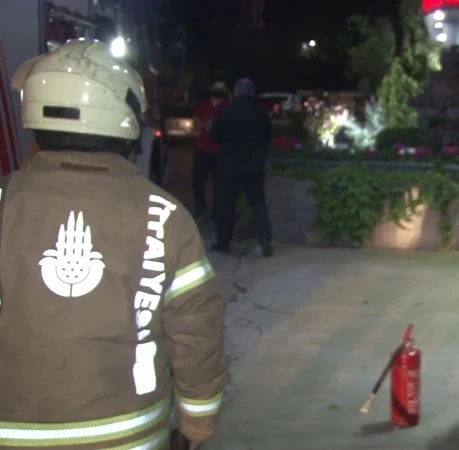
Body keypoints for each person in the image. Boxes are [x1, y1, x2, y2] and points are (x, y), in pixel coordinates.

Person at [3, 40, 227, 449]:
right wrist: (198, 421)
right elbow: (196, 331)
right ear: (126, 123)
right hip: (130, 437)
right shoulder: (165, 216)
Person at [210, 77, 274, 257]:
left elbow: (214, 136)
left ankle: (223, 242)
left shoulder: (227, 111)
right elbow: (268, 136)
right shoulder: (261, 112)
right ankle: (264, 238)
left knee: (226, 205)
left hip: (229, 165)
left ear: (236, 93)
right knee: (258, 203)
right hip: (254, 165)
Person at [191, 81, 230, 221]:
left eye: (221, 88)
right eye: (215, 88)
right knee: (197, 182)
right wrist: (205, 124)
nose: (218, 90)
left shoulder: (227, 107)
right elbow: (195, 127)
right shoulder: (202, 105)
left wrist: (206, 125)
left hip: (220, 151)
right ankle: (201, 209)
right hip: (202, 150)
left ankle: (217, 212)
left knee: (219, 184)